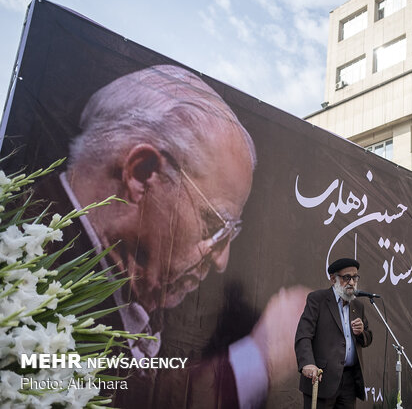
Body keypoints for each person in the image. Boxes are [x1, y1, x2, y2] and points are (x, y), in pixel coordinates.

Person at [38, 64, 307, 408]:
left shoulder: (124, 287)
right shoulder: (28, 271)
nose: (222, 260)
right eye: (214, 224)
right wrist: (264, 356)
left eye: (230, 233)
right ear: (141, 174)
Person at [295, 258, 373, 409]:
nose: (352, 282)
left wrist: (361, 332)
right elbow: (303, 335)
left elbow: (368, 339)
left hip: (349, 382)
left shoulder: (358, 305)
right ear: (333, 279)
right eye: (346, 278)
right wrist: (307, 363)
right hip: (321, 380)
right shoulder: (317, 300)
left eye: (355, 277)